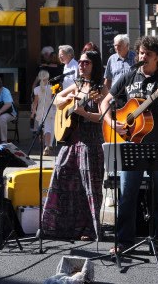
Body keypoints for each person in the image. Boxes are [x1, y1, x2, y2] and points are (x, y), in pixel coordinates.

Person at [99, 35, 158, 254]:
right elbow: (105, 102)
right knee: (126, 196)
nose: (143, 57)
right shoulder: (128, 76)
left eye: (148, 54)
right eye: (141, 53)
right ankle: (124, 242)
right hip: (131, 144)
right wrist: (113, 123)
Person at [41, 50, 108, 241]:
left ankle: (89, 228)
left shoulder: (100, 89)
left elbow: (104, 117)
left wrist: (84, 113)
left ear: (94, 66)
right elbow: (57, 99)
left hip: (91, 143)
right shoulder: (77, 85)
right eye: (81, 63)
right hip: (71, 141)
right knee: (61, 176)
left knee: (89, 187)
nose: (82, 65)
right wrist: (70, 102)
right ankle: (59, 226)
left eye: (86, 63)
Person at [31, 69, 56, 156]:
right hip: (50, 110)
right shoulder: (52, 88)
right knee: (49, 129)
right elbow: (54, 100)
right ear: (48, 78)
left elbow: (35, 102)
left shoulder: (37, 89)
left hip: (40, 111)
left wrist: (33, 112)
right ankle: (47, 146)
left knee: (42, 129)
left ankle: (44, 146)